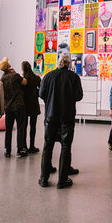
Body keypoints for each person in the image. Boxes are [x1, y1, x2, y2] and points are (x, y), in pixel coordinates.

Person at [38, 55, 83, 189]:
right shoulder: (74, 77)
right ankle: (62, 180)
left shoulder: (48, 75)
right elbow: (78, 96)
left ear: (59, 63)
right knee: (66, 146)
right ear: (68, 64)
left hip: (50, 116)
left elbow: (41, 94)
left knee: (47, 146)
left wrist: (50, 99)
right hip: (67, 117)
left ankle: (44, 179)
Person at [0, 57, 28, 157]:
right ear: (9, 66)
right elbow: (25, 82)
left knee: (8, 129)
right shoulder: (15, 76)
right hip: (19, 105)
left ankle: (7, 150)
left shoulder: (1, 79)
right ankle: (20, 149)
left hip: (8, 107)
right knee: (20, 127)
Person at [21, 61, 41, 153]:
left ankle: (24, 146)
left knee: (24, 126)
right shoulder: (36, 78)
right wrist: (36, 94)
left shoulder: (23, 79)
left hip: (24, 104)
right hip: (34, 104)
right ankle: (32, 145)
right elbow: (40, 90)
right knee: (33, 126)